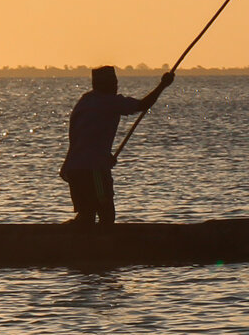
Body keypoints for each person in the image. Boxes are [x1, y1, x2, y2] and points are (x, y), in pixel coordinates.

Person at [61, 65, 174, 225]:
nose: (116, 85)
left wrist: (102, 157)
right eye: (113, 82)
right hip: (93, 170)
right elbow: (142, 105)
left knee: (86, 216)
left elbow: (82, 137)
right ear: (103, 84)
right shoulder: (109, 101)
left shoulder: (85, 101)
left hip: (75, 169)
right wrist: (163, 85)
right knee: (106, 214)